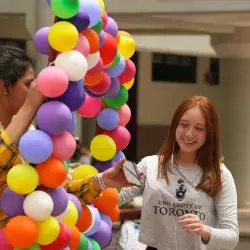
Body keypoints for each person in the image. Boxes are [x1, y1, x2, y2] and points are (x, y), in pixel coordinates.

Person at [91, 96, 239, 250]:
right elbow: (113, 200)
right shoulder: (148, 164)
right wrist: (102, 180)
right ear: (175, 125)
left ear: (209, 134)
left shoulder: (220, 174)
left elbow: (232, 237)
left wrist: (204, 230)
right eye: (184, 125)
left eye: (199, 128)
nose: (189, 133)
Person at [0, 45, 98, 229]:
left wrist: (101, 182)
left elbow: (51, 193)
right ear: (4, 86)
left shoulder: (31, 136)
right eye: (28, 84)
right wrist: (29, 108)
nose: (37, 90)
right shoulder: (24, 126)